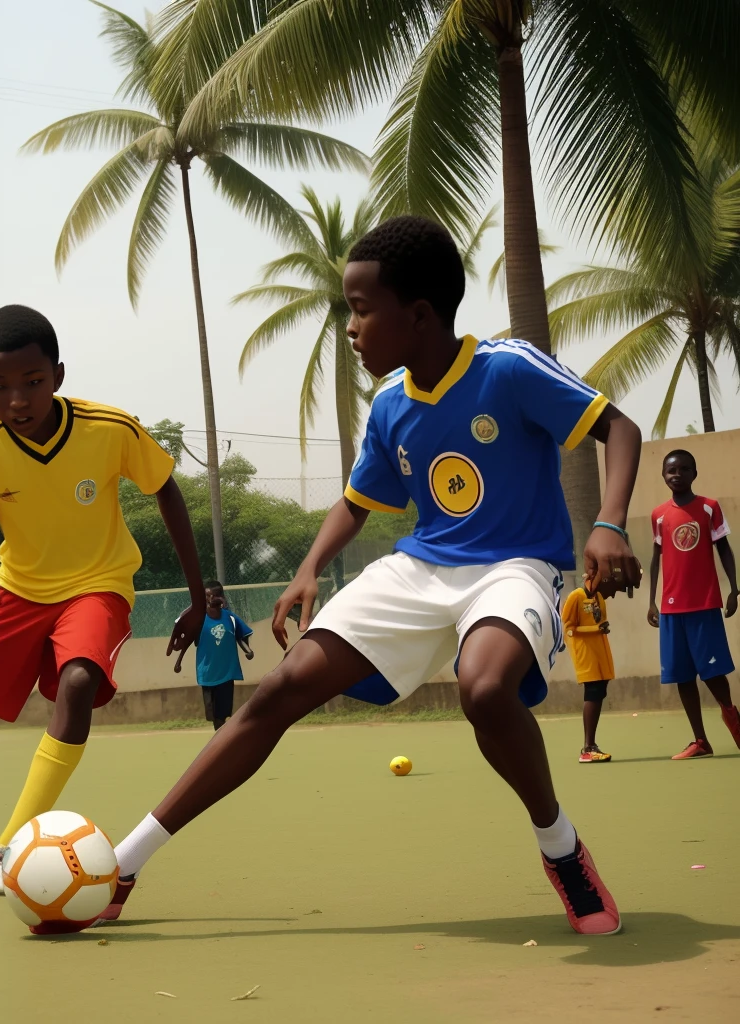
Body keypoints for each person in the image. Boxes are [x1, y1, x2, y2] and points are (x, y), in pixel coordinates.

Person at [102, 216, 644, 938]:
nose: (351, 329)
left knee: (485, 689)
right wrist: (308, 567)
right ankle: (125, 862)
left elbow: (620, 428)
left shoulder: (507, 368)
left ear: (417, 315)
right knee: (280, 688)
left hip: (515, 567)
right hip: (421, 567)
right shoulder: (391, 407)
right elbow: (359, 501)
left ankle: (562, 850)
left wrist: (608, 522)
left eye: (360, 310)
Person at [0, 304, 204, 918]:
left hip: (97, 584)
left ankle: (7, 847)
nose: (16, 399)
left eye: (31, 383)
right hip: (14, 588)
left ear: (58, 375)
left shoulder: (110, 429)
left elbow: (167, 491)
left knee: (77, 682)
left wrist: (199, 596)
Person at [646, 449, 740, 759]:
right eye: (671, 470)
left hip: (704, 605)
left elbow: (724, 549)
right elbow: (656, 559)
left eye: (684, 469)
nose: (677, 474)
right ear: (663, 475)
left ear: (694, 474)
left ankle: (732, 717)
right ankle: (700, 740)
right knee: (682, 675)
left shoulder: (709, 508)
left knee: (712, 672)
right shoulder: (658, 514)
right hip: (672, 609)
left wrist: (734, 589)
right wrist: (651, 601)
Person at [178, 581, 253, 730]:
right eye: (206, 596)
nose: (209, 599)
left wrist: (247, 650)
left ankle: (221, 743)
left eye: (212, 596)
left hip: (226, 672)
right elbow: (187, 640)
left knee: (222, 715)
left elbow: (239, 636)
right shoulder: (199, 619)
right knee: (214, 716)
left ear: (220, 597)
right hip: (207, 674)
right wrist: (179, 661)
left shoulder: (230, 617)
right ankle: (221, 740)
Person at [561, 578, 615, 762]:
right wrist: (594, 629)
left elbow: (601, 620)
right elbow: (568, 626)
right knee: (592, 690)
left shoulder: (599, 597)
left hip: (600, 649)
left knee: (600, 689)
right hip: (584, 650)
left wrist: (602, 627)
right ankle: (587, 747)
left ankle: (592, 745)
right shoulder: (576, 596)